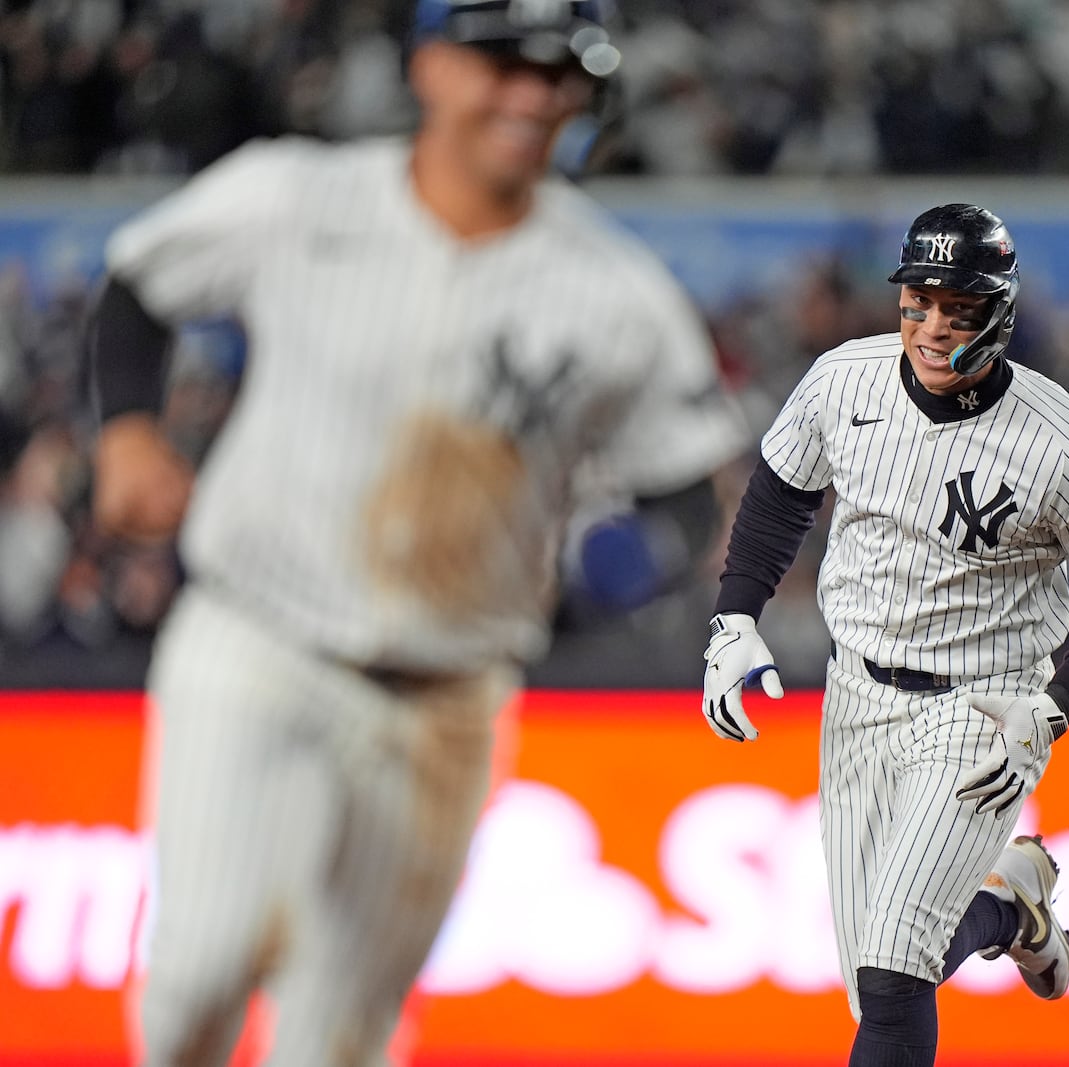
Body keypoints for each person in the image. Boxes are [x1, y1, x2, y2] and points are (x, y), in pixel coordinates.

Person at [88, 2, 745, 1063]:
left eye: (558, 72)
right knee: (200, 968)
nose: (532, 95)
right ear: (429, 64)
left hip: (449, 692)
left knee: (340, 1036)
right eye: (502, 62)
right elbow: (136, 286)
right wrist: (126, 434)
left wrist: (624, 567)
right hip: (257, 642)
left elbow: (682, 478)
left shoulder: (612, 290)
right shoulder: (298, 196)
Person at [700, 203, 1069, 1066]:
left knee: (895, 967)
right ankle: (1010, 903)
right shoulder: (844, 379)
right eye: (919, 299)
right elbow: (783, 487)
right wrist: (736, 611)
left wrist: (1055, 706)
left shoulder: (1062, 441)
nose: (933, 325)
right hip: (854, 693)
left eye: (958, 306)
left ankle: (1007, 900)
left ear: (998, 311)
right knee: (875, 980)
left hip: (983, 705)